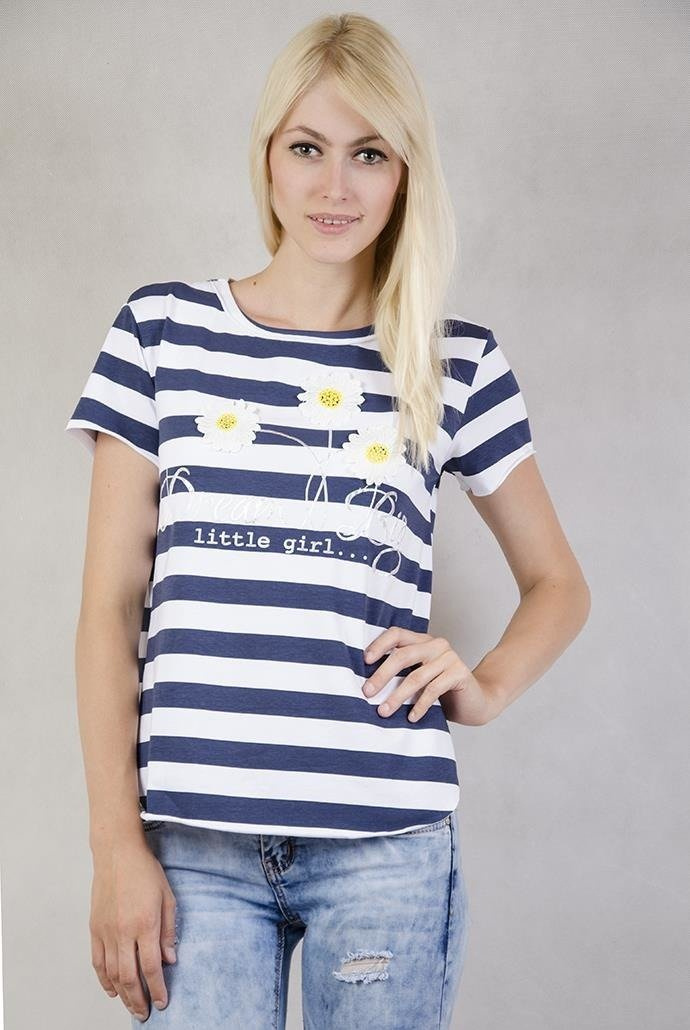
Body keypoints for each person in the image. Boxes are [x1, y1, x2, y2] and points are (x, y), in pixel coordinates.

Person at [64, 12, 590, 1029]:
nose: (334, 186)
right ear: (267, 156)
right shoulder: (161, 333)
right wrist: (114, 844)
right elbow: (109, 611)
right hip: (192, 847)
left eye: (369, 154)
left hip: (386, 846)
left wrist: (482, 688)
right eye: (307, 148)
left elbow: (560, 585)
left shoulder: (454, 363)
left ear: (405, 174)